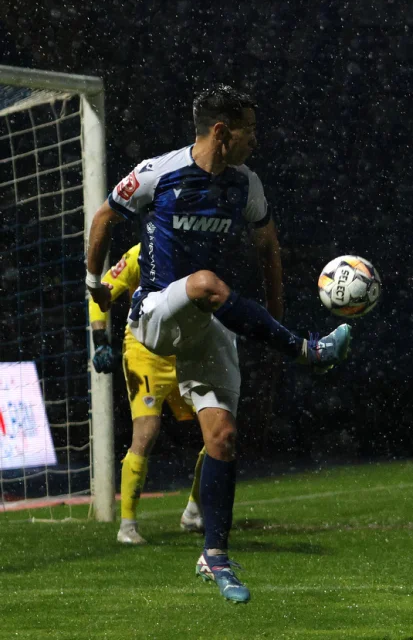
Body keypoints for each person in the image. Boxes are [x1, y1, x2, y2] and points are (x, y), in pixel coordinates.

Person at [86, 85, 352, 603]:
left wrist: (273, 317)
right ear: (222, 132)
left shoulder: (245, 184)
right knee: (205, 282)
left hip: (206, 321)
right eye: (249, 130)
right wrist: (92, 280)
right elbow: (103, 218)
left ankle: (215, 557)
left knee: (223, 437)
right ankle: (308, 351)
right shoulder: (157, 172)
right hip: (154, 314)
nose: (256, 140)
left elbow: (268, 245)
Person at [90, 244, 208, 544]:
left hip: (184, 352)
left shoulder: (194, 249)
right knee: (147, 430)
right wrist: (99, 340)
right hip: (145, 354)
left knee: (218, 429)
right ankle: (127, 526)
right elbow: (100, 293)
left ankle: (194, 511)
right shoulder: (139, 254)